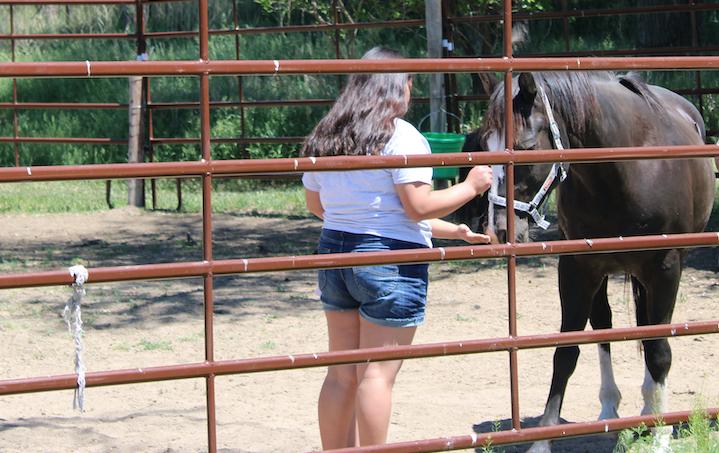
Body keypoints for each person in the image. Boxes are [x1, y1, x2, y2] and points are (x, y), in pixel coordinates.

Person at [301, 46, 493, 449]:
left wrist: (453, 232)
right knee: (376, 375)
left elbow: (320, 207)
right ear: (395, 87)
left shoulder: (326, 135)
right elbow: (417, 205)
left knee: (341, 373)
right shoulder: (401, 136)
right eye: (408, 82)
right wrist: (470, 186)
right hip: (388, 263)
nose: (411, 90)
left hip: (335, 253)